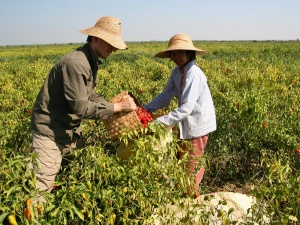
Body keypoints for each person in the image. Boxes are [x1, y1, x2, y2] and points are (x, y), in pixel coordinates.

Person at [30, 16, 137, 205]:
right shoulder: (76, 63)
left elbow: (89, 94)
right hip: (50, 132)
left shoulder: (90, 60)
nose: (112, 49)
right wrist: (117, 107)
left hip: (69, 131)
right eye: (109, 44)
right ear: (95, 38)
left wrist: (109, 106)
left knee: (73, 178)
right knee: (41, 188)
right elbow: (81, 108)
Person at [143, 33, 216, 197]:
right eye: (173, 53)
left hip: (198, 125)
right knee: (181, 160)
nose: (176, 57)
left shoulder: (194, 74)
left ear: (189, 53)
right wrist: (146, 109)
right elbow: (165, 96)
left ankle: (191, 200)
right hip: (186, 124)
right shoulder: (177, 72)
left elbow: (186, 108)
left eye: (180, 53)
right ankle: (183, 194)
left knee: (191, 165)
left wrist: (159, 122)